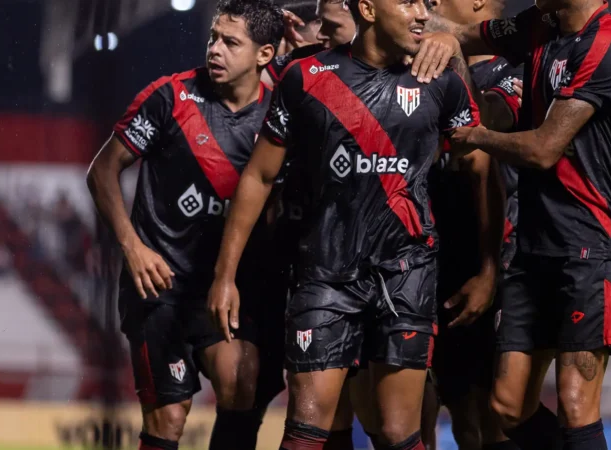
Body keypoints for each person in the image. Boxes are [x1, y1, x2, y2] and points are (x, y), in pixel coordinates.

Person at [206, 0, 481, 447]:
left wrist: (489, 269)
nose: (421, 13)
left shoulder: (440, 80)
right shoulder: (305, 77)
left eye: (424, 3)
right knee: (305, 432)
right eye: (408, 2)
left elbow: (480, 168)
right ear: (368, 9)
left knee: (398, 433)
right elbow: (258, 177)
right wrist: (225, 275)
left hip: (407, 272)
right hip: (325, 274)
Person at [412, 1, 611, 450]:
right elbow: (463, 33)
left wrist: (476, 137)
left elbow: (544, 149)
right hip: (534, 245)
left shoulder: (607, 45)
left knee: (575, 403)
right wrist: (418, 25)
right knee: (507, 406)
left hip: (592, 246)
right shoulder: (539, 24)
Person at [85, 1, 284, 450]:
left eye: (230, 42)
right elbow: (102, 171)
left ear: (264, 54)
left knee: (241, 383)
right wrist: (132, 247)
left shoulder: (279, 116)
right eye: (213, 38)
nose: (215, 49)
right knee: (169, 419)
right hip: (159, 288)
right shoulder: (170, 97)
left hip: (223, 288)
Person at [422, 0, 522, 444]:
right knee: (431, 409)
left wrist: (488, 271)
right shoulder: (423, 67)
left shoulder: (514, 69)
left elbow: (487, 126)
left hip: (495, 261)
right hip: (430, 261)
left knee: (487, 418)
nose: (429, 4)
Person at [263, 0, 357, 88]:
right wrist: (265, 22)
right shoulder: (307, 57)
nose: (319, 35)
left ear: (365, 13)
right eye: (320, 21)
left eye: (331, 25)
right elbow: (256, 82)